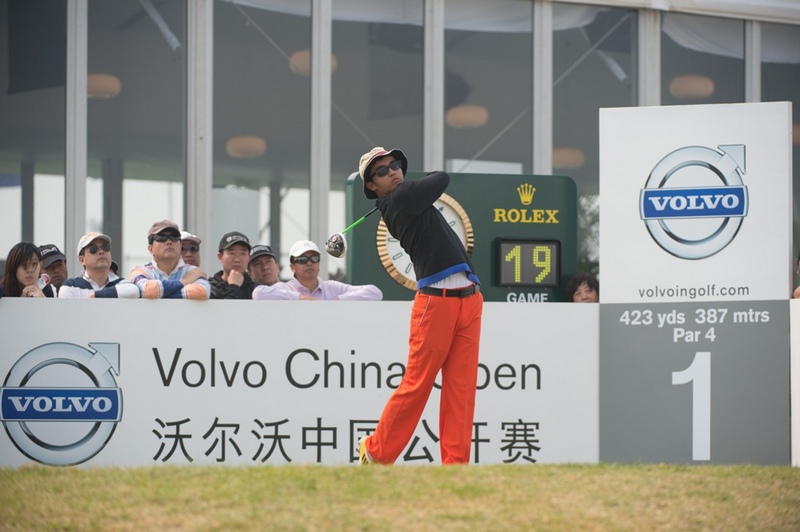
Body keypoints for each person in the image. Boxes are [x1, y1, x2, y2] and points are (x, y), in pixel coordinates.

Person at [356, 147, 482, 466]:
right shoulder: (399, 199)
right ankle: (375, 451)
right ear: (371, 186)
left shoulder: (408, 197)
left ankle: (455, 467)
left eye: (395, 165)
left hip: (469, 299)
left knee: (461, 389)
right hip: (435, 304)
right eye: (382, 171)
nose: (392, 172)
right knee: (417, 384)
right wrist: (413, 181)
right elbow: (441, 177)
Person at [253, 240, 382, 301]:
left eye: (314, 258)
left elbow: (375, 292)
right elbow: (258, 294)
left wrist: (340, 299)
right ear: (292, 267)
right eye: (302, 259)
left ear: (319, 264)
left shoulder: (332, 287)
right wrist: (299, 298)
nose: (309, 263)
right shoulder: (284, 288)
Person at [129, 220, 211, 299]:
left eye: (174, 237)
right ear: (151, 249)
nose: (169, 242)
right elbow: (148, 290)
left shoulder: (194, 271)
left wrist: (159, 293)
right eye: (161, 237)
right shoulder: (139, 271)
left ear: (180, 246)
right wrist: (183, 282)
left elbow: (202, 292)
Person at [59, 232, 140, 298]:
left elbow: (134, 291)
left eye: (105, 247)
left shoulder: (121, 283)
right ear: (82, 260)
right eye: (93, 249)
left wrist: (97, 295)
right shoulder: (70, 287)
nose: (101, 251)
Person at [209, 231, 257, 299]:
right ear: (220, 257)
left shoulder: (256, 290)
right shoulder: (209, 289)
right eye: (232, 253)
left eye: (242, 253)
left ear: (249, 258)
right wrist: (234, 286)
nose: (237, 259)